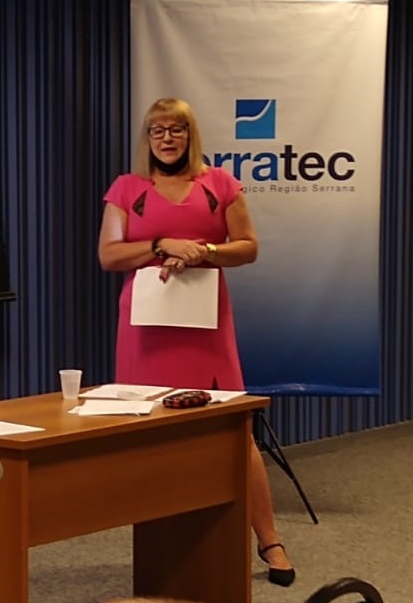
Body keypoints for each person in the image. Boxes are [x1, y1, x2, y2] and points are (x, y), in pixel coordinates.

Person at [98, 97, 295, 587]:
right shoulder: (127, 188)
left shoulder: (220, 184)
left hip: (206, 324)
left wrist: (201, 250)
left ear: (191, 135)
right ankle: (165, 544)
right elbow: (109, 255)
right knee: (149, 431)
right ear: (147, 138)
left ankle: (270, 540)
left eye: (176, 130)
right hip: (146, 326)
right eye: (157, 131)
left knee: (235, 432)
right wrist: (161, 245)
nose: (167, 138)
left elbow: (248, 247)